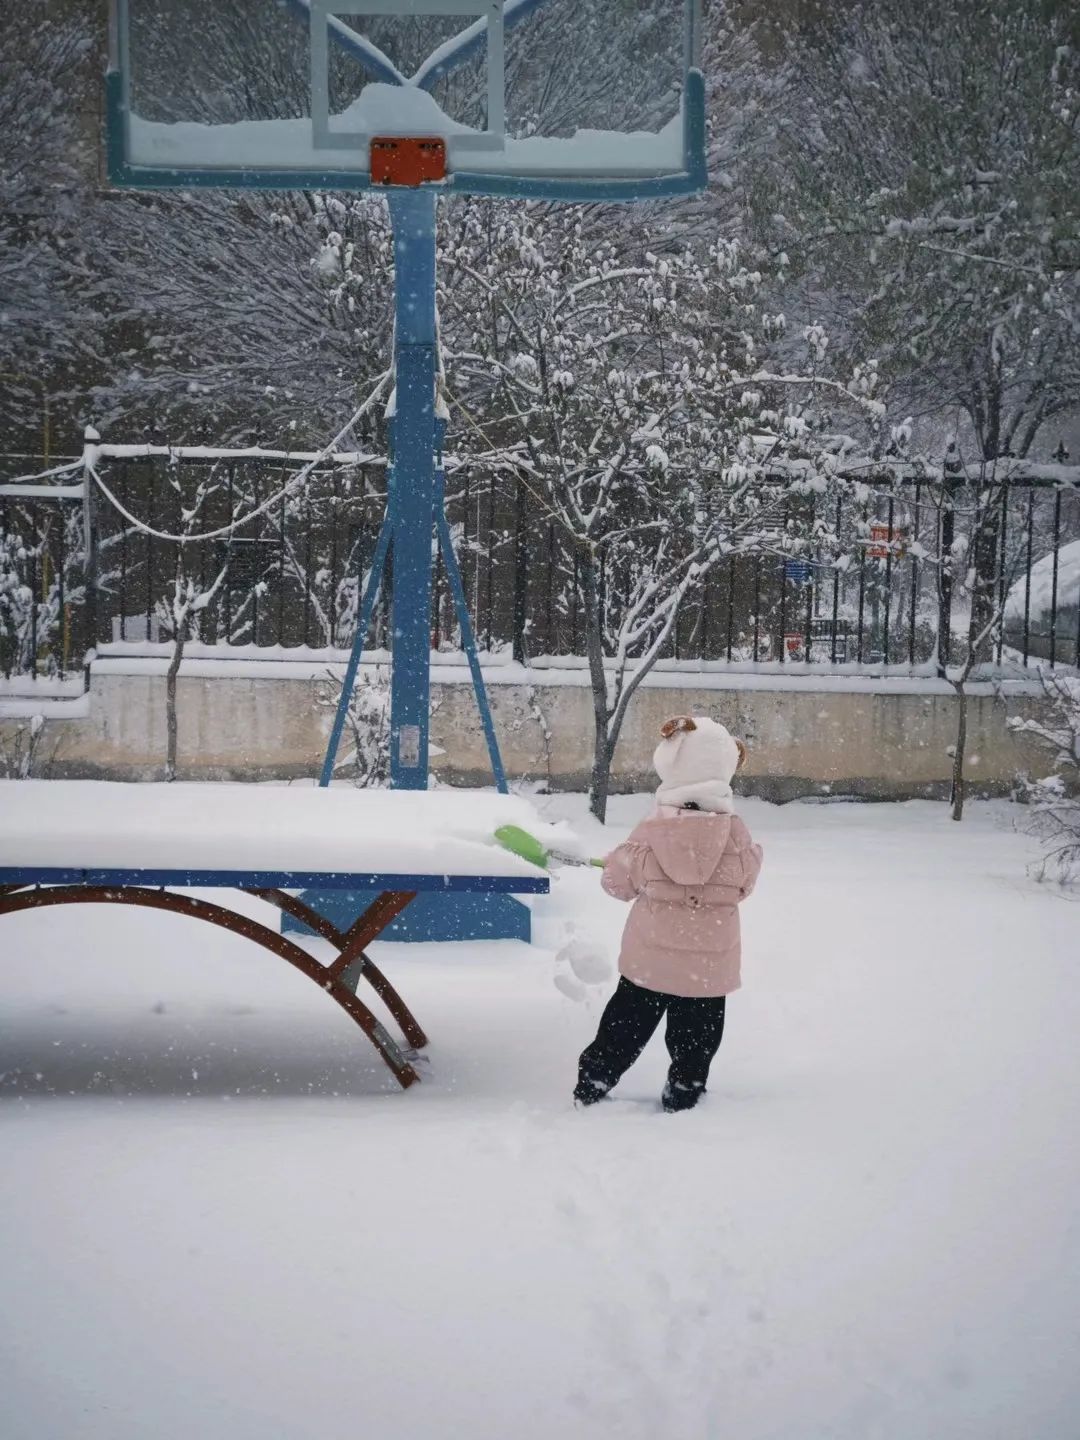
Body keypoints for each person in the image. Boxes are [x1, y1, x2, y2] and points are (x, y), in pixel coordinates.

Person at [574, 715, 763, 1113]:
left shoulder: (653, 830)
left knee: (624, 1028)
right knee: (697, 1037)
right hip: (709, 965)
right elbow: (744, 883)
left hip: (650, 962)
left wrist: (619, 863)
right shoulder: (736, 835)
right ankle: (685, 1089)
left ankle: (596, 1078)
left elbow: (619, 884)